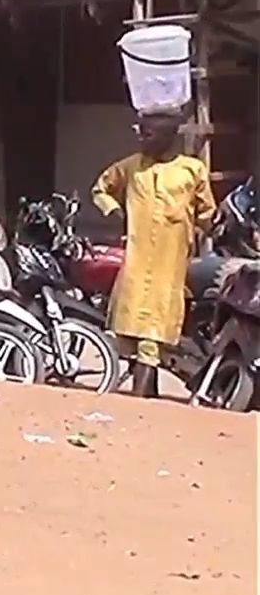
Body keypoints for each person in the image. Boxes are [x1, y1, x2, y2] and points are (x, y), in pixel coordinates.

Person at [92, 109, 216, 397]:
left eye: (148, 134)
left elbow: (206, 212)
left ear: (167, 137)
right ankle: (148, 397)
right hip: (136, 263)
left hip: (169, 266)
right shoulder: (131, 167)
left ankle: (142, 401)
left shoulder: (192, 170)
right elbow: (101, 189)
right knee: (133, 334)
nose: (141, 139)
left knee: (153, 335)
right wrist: (115, 212)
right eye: (140, 133)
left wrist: (205, 231)